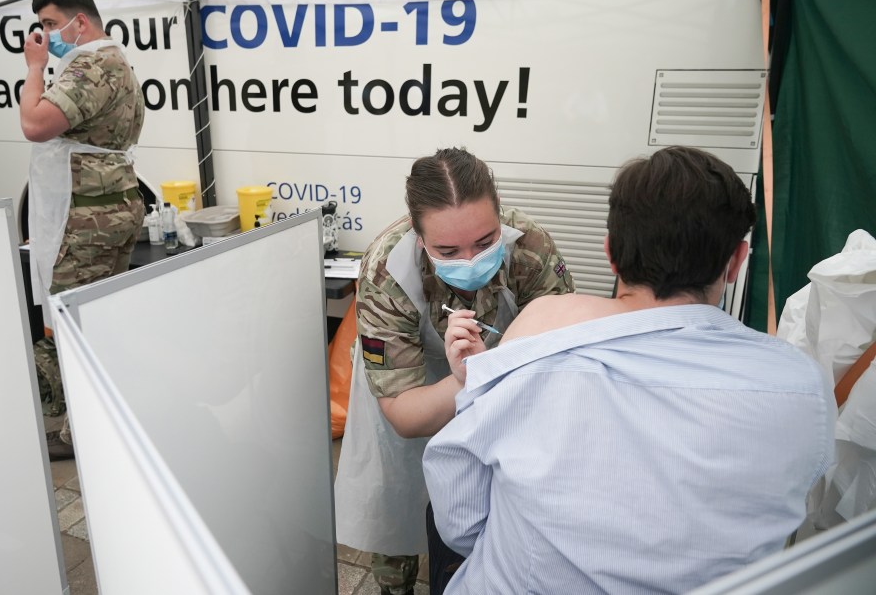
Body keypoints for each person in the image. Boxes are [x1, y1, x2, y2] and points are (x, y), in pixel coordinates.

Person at [423, 146, 836, 594]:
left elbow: (460, 520)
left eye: (483, 244)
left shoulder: (530, 351)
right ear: (736, 261)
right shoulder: (803, 389)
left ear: (611, 255)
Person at [334, 147, 575, 594]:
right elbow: (404, 415)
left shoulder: (530, 249)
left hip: (503, 373)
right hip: (409, 384)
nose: (470, 262)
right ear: (419, 237)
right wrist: (464, 378)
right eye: (447, 250)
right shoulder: (387, 270)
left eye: (485, 243)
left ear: (500, 217)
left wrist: (486, 371)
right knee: (399, 499)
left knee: (489, 500)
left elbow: (557, 355)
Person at [20, 0, 145, 460]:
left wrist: (35, 70)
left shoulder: (93, 64)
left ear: (81, 22)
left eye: (51, 24)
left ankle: (79, 434)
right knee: (99, 320)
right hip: (102, 208)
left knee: (73, 325)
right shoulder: (112, 62)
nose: (45, 35)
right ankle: (100, 418)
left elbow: (35, 125)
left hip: (87, 219)